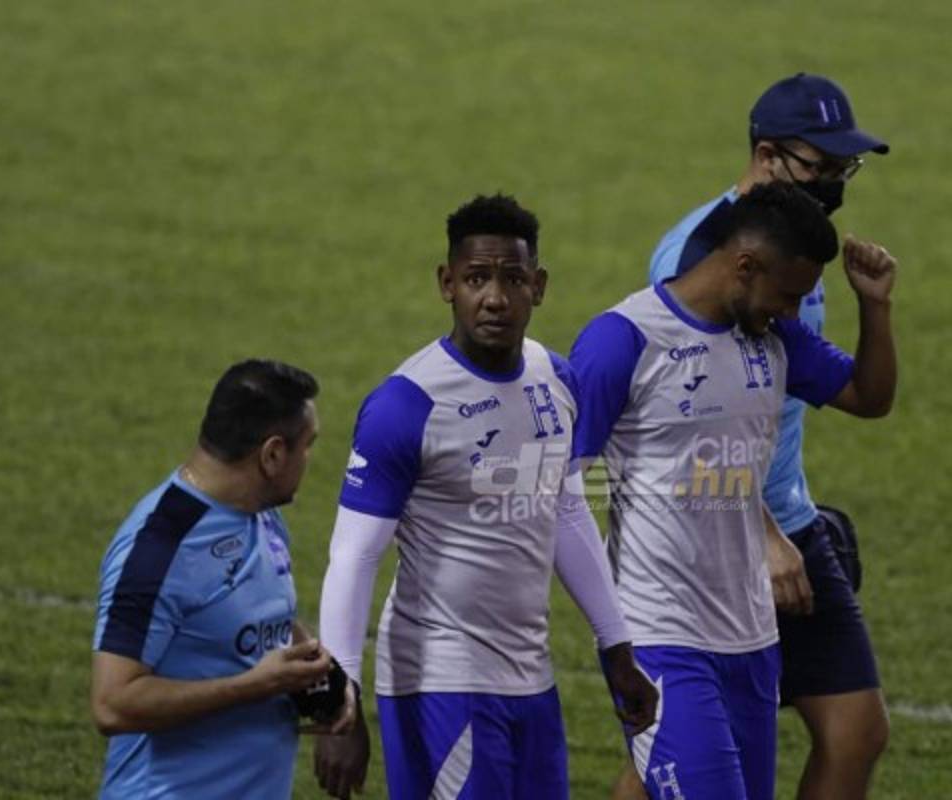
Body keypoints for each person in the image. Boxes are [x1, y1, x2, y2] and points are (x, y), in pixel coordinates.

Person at [312, 193, 659, 799]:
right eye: (476, 279)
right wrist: (338, 704)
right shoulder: (407, 404)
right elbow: (354, 557)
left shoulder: (556, 378)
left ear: (538, 287)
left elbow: (564, 508)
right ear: (447, 284)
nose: (495, 298)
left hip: (530, 678)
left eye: (513, 279)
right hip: (439, 681)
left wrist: (617, 645)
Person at [570, 182, 896, 800]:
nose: (793, 313)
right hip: (659, 635)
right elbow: (563, 483)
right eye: (789, 295)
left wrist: (875, 307)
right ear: (745, 265)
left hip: (752, 639)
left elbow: (869, 396)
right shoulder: (625, 340)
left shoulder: (774, 339)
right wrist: (610, 630)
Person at [646, 73, 891, 800]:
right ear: (766, 155)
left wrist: (876, 309)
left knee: (855, 731)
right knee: (681, 748)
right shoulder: (701, 258)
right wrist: (761, 534)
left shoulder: (796, 248)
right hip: (707, 534)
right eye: (822, 166)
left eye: (845, 168)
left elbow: (860, 395)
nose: (835, 184)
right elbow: (680, 424)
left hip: (788, 521)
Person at [89, 359, 354, 799]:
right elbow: (112, 704)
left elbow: (264, 619)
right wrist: (255, 685)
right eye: (308, 446)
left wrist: (320, 674)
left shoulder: (260, 515)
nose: (310, 459)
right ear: (272, 455)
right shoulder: (158, 548)